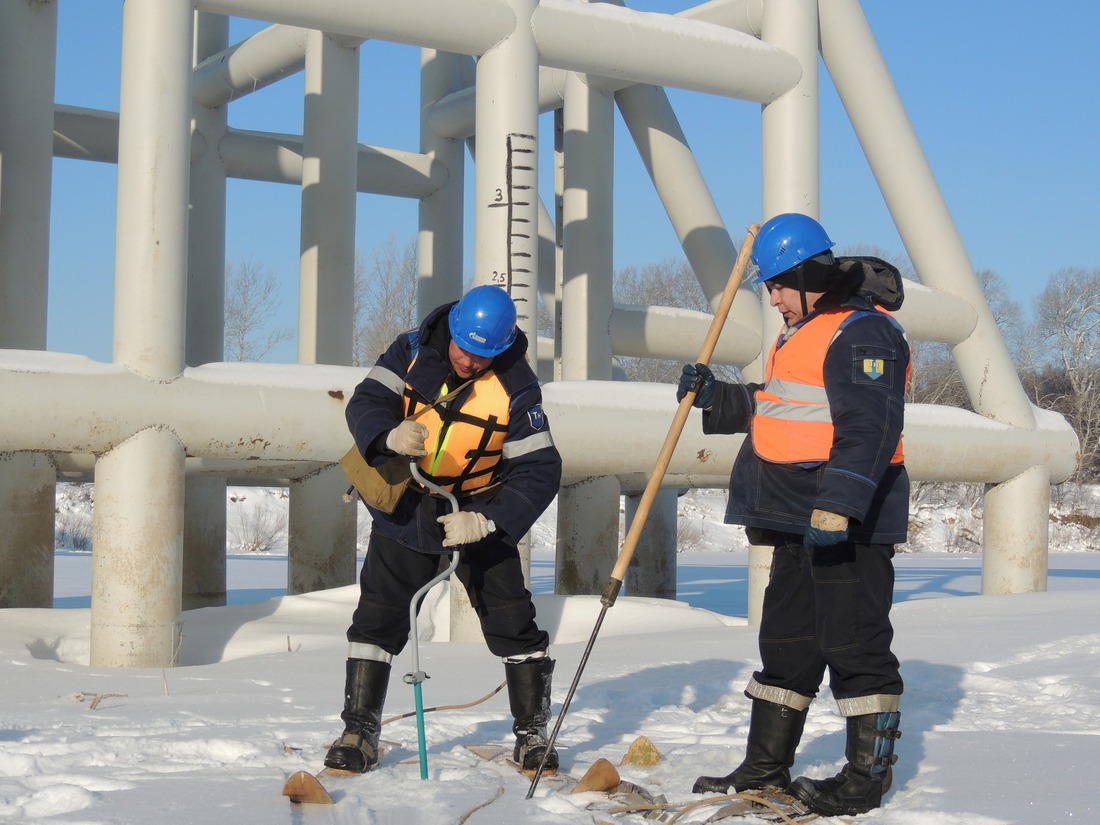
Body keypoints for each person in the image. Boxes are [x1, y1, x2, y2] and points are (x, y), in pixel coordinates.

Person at [679, 213, 910, 816]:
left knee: (853, 644)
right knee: (786, 644)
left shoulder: (863, 333)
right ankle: (765, 766)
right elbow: (785, 409)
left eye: (778, 285)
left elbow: (870, 428)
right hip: (795, 518)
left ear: (809, 275)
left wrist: (839, 504)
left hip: (847, 522)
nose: (773, 298)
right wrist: (721, 398)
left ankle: (865, 781)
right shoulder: (803, 331)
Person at [326, 284, 563, 776]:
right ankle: (358, 730)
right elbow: (366, 401)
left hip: (480, 511)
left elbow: (540, 468)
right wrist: (386, 433)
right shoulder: (409, 350)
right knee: (377, 618)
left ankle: (532, 734)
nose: (469, 363)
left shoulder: (519, 387)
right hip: (410, 505)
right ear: (451, 328)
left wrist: (488, 521)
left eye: (482, 357)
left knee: (513, 622)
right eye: (463, 350)